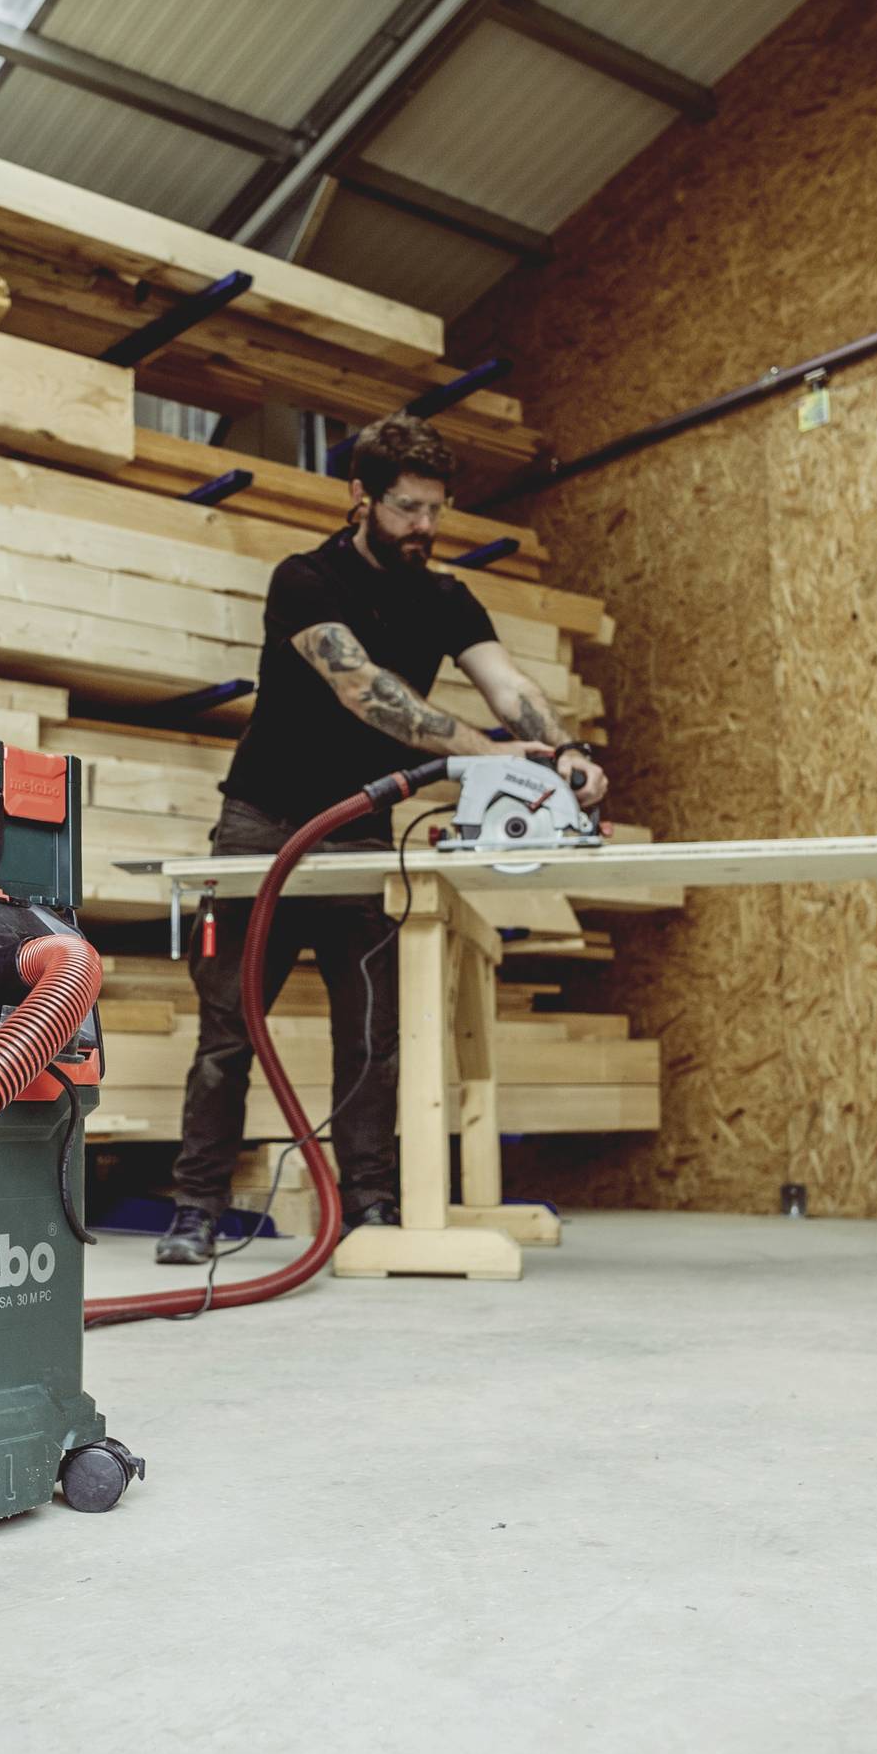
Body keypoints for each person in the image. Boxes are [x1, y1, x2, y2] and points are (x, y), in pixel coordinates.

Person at [156, 413, 610, 1264]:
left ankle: (368, 1203)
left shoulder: (444, 596)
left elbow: (504, 682)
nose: (424, 529)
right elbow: (363, 691)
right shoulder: (305, 580)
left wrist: (564, 752)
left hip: (361, 830)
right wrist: (483, 751)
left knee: (370, 1031)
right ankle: (197, 1210)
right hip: (263, 825)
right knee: (228, 1031)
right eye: (406, 509)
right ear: (358, 498)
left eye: (435, 511)